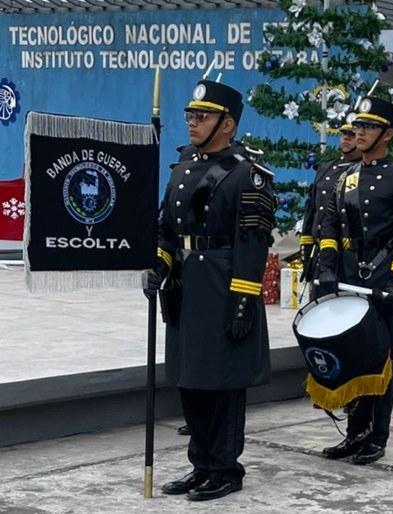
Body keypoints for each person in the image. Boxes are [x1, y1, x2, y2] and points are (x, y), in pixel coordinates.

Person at [143, 80, 275, 501]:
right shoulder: (183, 167)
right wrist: (160, 265)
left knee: (223, 383)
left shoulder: (247, 174)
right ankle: (201, 463)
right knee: (191, 379)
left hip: (224, 286)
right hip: (187, 288)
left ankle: (224, 468)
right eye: (191, 116)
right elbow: (167, 230)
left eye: (202, 117)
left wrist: (242, 302)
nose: (193, 123)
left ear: (228, 124)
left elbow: (253, 245)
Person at [317, 95, 393, 464]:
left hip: (382, 276)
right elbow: (328, 227)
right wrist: (327, 267)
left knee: (380, 360)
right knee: (351, 355)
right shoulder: (345, 177)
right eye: (357, 126)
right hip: (348, 273)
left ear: (387, 133)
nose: (358, 132)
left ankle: (377, 435)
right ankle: (354, 431)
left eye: (368, 126)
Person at [300, 113, 362, 300]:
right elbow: (312, 211)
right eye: (344, 134)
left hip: (350, 254)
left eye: (351, 134)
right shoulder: (326, 167)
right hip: (322, 251)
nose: (346, 139)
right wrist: (306, 249)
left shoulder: (365, 170)